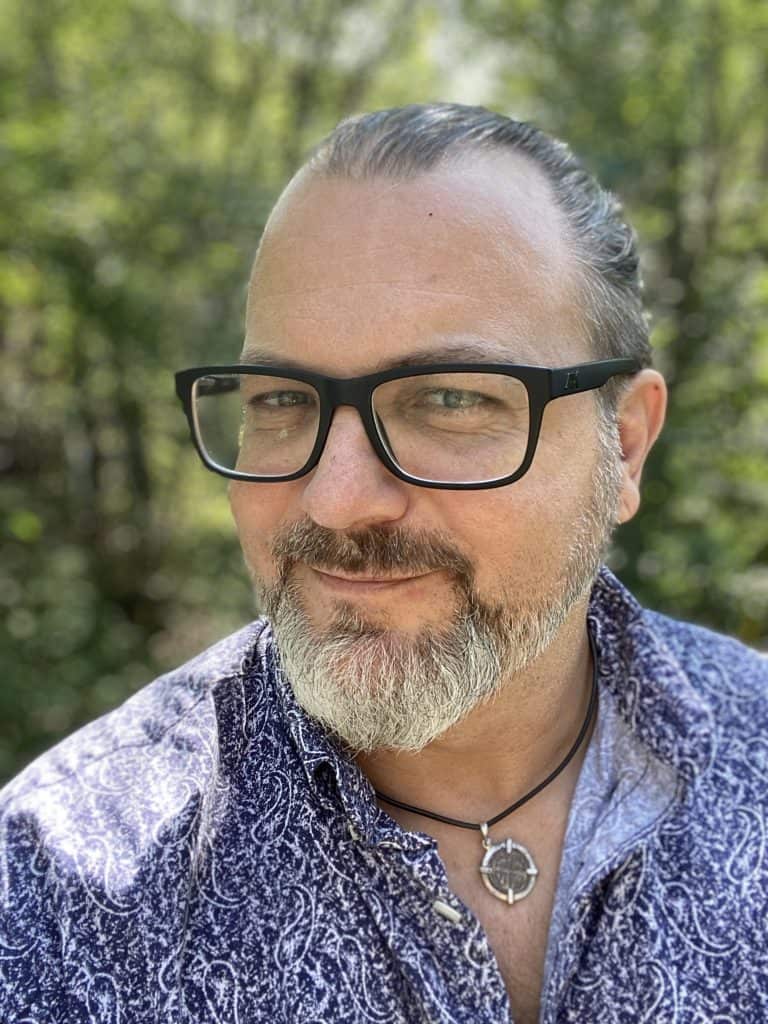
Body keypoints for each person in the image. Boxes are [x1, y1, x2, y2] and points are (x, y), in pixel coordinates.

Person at [1, 103, 766, 1024]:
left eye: (448, 397)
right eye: (282, 398)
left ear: (627, 447)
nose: (337, 500)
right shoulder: (60, 892)